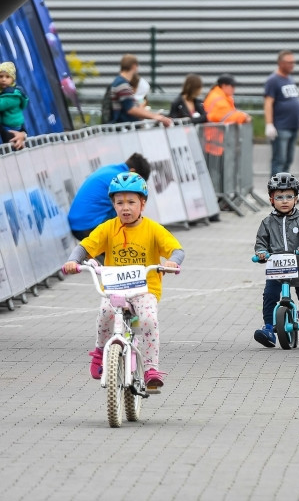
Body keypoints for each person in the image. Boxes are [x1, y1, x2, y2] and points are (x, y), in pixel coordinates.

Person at [61, 172, 184, 390]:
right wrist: (73, 261)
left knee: (147, 320)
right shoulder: (108, 228)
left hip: (144, 289)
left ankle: (150, 368)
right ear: (113, 205)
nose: (125, 207)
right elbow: (85, 247)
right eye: (119, 203)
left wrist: (173, 262)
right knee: (105, 314)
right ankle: (100, 352)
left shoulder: (153, 229)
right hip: (115, 288)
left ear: (142, 204)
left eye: (131, 202)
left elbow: (175, 249)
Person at [252, 173, 299, 348]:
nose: (284, 201)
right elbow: (261, 243)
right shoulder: (267, 223)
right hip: (276, 270)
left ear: (296, 199)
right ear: (271, 199)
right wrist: (261, 253)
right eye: (279, 197)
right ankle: (269, 328)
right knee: (269, 296)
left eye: (289, 197)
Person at [67, 153, 152, 240]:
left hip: (79, 224)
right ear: (132, 172)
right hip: (87, 227)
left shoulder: (111, 169)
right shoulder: (121, 180)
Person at [264, 50, 299, 176]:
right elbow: (268, 102)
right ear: (280, 63)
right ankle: (275, 189)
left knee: (288, 160)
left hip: (293, 126)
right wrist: (269, 124)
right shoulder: (273, 80)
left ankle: (285, 188)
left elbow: (294, 101)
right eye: (289, 62)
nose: (292, 65)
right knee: (279, 160)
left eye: (293, 62)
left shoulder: (290, 79)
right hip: (281, 126)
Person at [106, 54, 172, 126]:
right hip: (124, 128)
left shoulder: (121, 83)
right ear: (134, 66)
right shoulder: (122, 84)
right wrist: (156, 117)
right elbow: (131, 109)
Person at [0, 61, 28, 133]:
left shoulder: (12, 95)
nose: (3, 79)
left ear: (13, 79)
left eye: (7, 77)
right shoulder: (4, 92)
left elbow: (1, 105)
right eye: (1, 76)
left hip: (12, 127)